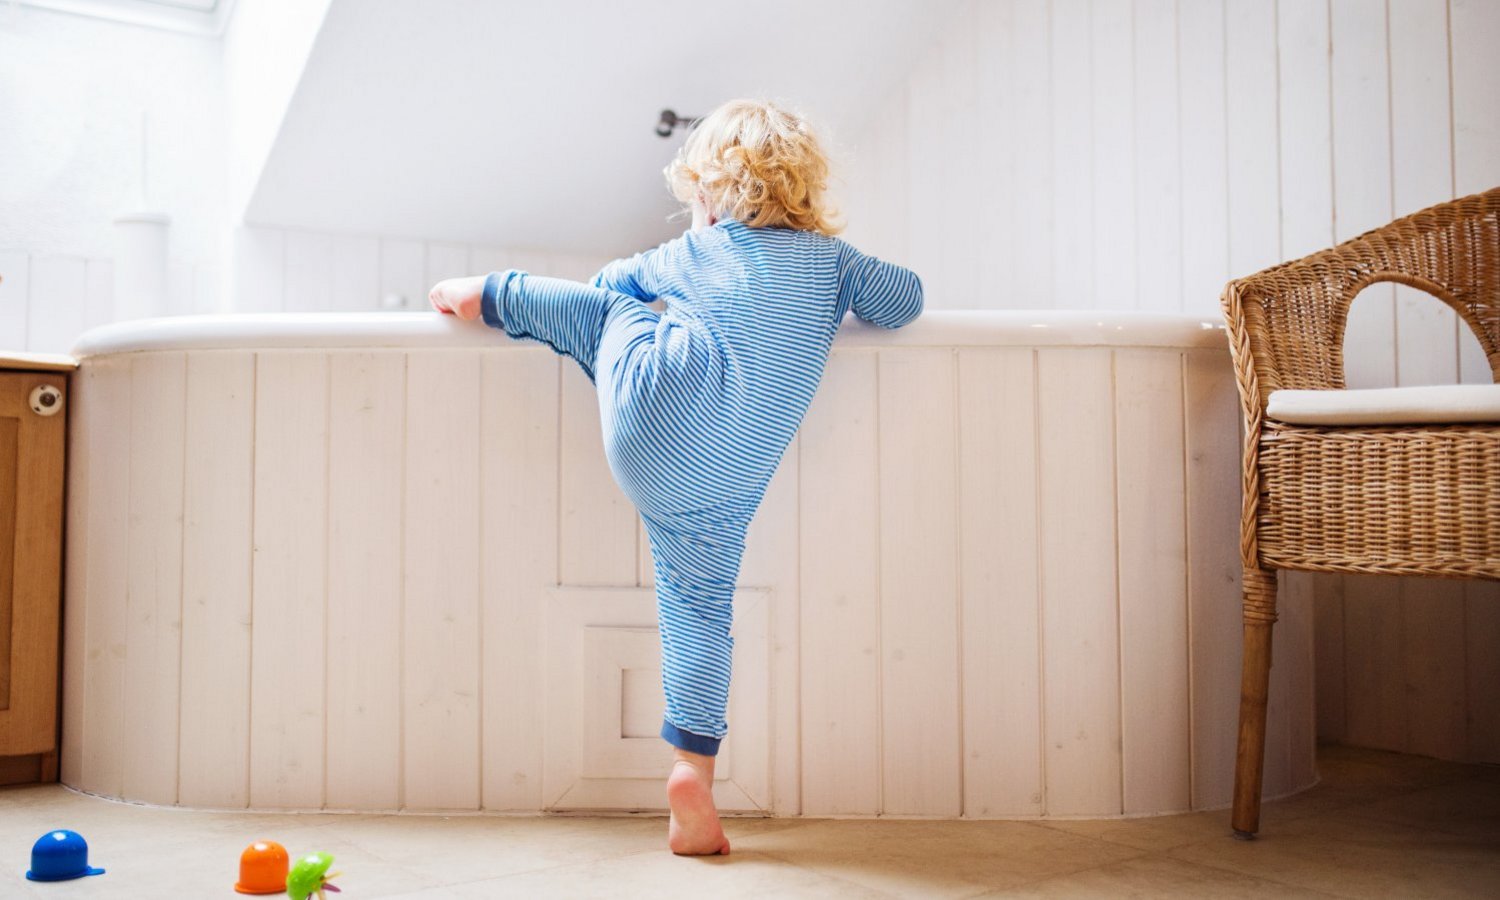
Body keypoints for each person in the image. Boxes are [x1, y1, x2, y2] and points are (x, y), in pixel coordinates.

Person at [428, 98, 922, 855]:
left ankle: (492, 293)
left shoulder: (694, 253)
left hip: (647, 429)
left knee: (599, 320)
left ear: (709, 193)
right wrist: (839, 277)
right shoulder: (833, 265)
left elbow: (605, 285)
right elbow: (907, 301)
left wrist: (686, 273)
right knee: (700, 611)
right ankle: (693, 770)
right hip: (722, 482)